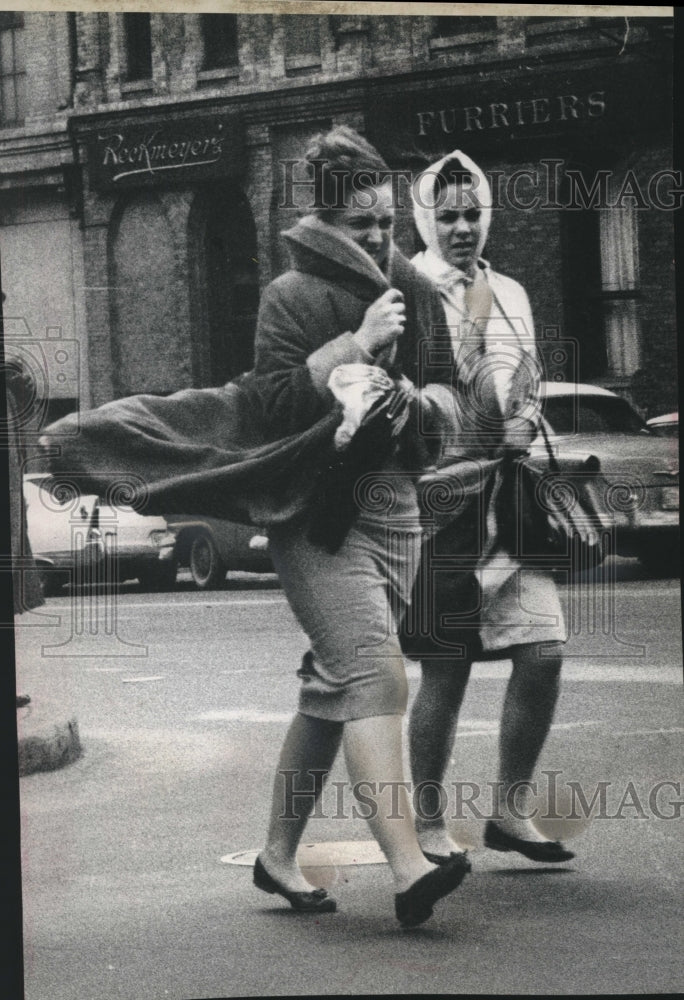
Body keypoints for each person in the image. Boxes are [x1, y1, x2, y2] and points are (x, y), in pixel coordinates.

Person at [251, 127, 471, 926]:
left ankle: (277, 858)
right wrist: (357, 344)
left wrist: (419, 405)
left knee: (331, 683)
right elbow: (272, 405)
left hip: (398, 506)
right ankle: (410, 866)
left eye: (385, 223)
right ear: (323, 220)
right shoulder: (288, 295)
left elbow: (452, 396)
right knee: (376, 673)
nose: (379, 239)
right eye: (360, 225)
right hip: (316, 514)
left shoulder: (411, 283)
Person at [402, 150, 574, 864]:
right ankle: (429, 823)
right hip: (444, 504)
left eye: (473, 213)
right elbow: (401, 396)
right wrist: (470, 425)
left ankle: (509, 811)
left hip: (511, 497)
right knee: (448, 667)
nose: (463, 227)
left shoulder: (512, 292)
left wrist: (527, 419)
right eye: (448, 216)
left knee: (543, 651)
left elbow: (528, 374)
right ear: (426, 220)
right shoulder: (408, 289)